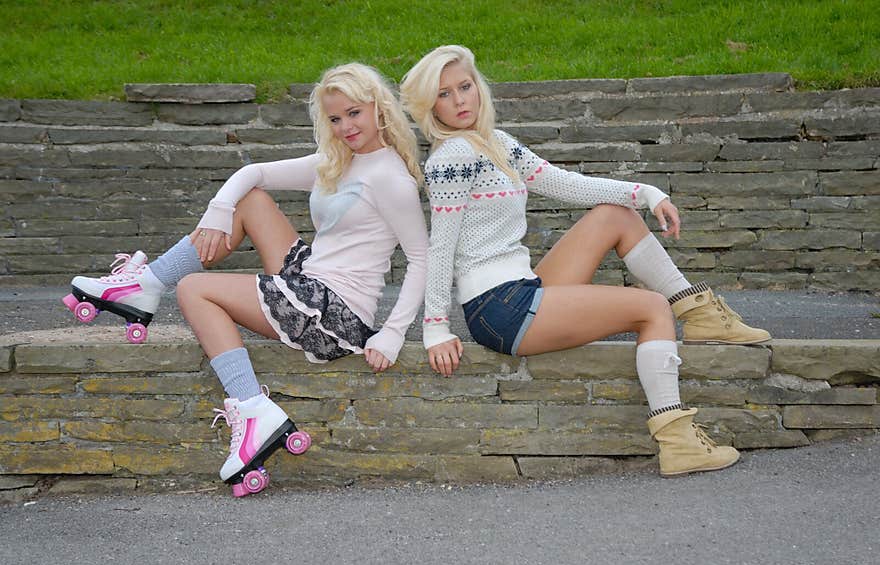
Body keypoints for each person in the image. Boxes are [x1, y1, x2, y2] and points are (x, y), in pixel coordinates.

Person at [399, 45, 771, 477]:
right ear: (430, 106)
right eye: (444, 94)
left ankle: (701, 314)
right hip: (497, 308)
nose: (460, 100)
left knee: (615, 216)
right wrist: (435, 328)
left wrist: (647, 193)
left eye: (465, 86)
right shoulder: (451, 159)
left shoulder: (494, 143)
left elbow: (565, 183)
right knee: (651, 309)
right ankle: (679, 442)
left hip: (522, 287)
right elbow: (440, 246)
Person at [65, 62, 428, 495]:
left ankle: (253, 408)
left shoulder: (390, 178)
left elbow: (422, 259)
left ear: (378, 108)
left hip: (335, 315)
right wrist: (217, 208)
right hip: (311, 279)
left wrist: (391, 333)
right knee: (249, 201)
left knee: (195, 290)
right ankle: (146, 286)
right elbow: (254, 174)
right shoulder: (340, 161)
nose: (346, 126)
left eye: (354, 113)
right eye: (335, 118)